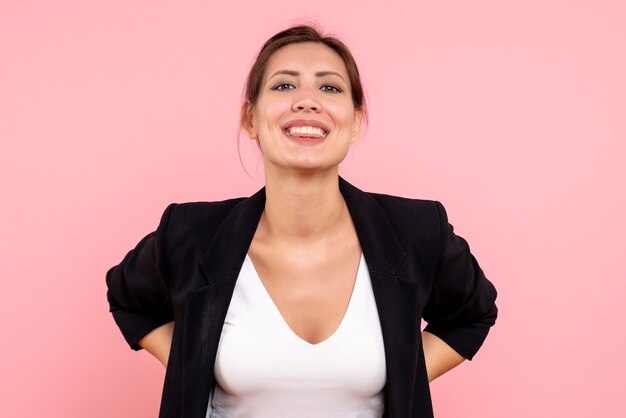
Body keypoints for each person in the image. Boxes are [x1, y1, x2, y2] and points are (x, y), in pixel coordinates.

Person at [106, 23, 498, 418]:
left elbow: (472, 313)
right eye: (284, 86)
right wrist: (192, 364)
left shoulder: (417, 231)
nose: (307, 101)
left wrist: (404, 375)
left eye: (329, 88)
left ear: (357, 120)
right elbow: (128, 299)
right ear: (250, 118)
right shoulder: (189, 234)